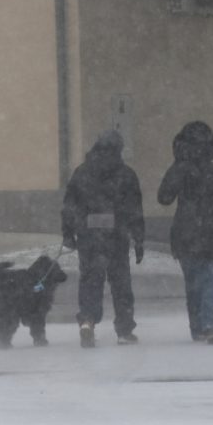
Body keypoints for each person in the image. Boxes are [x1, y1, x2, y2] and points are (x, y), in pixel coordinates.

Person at [61, 130, 145, 347]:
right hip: (117, 235)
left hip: (89, 235)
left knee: (90, 280)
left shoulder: (82, 172)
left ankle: (87, 320)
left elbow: (69, 205)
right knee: (120, 283)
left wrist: (68, 233)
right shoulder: (126, 174)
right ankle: (124, 331)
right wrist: (139, 238)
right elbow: (135, 209)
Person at [157, 121, 213, 344]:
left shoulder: (179, 170)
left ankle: (198, 326)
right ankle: (211, 326)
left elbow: (164, 197)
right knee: (212, 281)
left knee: (193, 284)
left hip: (186, 233)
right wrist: (212, 212)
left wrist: (177, 168)